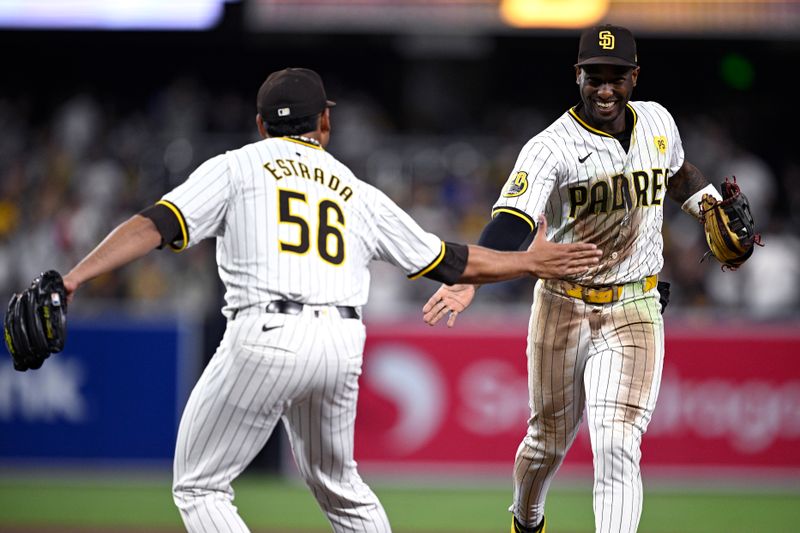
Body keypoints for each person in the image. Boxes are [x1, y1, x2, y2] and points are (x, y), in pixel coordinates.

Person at [61, 67, 602, 533]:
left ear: (260, 125)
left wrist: (74, 278)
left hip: (267, 332)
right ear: (324, 123)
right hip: (342, 343)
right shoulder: (354, 188)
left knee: (199, 486)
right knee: (341, 488)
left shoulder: (238, 165)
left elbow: (157, 224)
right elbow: (451, 260)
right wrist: (530, 261)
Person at [423, 25, 745, 533]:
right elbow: (512, 221)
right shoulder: (550, 146)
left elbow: (678, 172)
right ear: (577, 75)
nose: (604, 88)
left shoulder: (658, 121)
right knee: (545, 441)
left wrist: (708, 209)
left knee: (617, 439)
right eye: (594, 76)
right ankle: (527, 519)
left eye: (615, 76)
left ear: (633, 77)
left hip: (635, 305)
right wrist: (471, 277)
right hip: (562, 304)